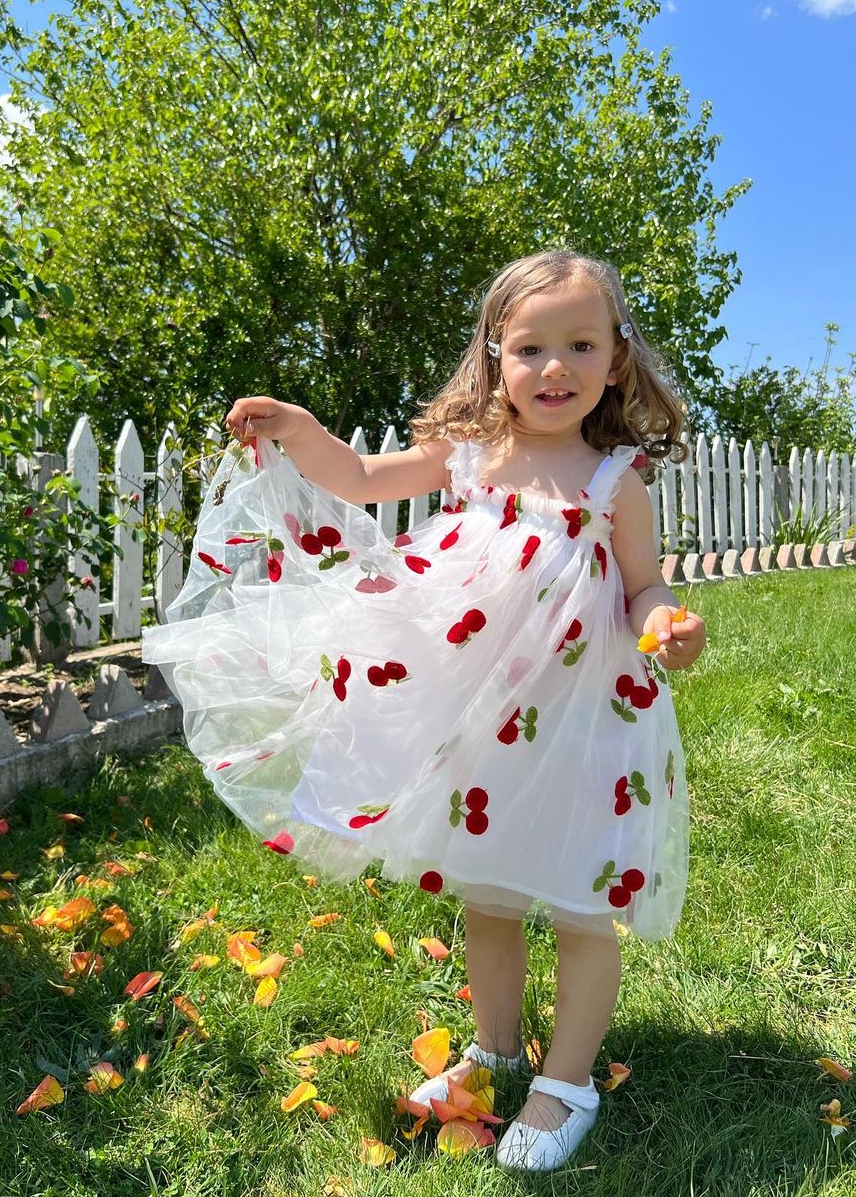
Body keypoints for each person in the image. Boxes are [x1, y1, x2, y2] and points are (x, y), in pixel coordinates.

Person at [142, 248, 707, 1172]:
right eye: (529, 348)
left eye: (580, 345)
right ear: (494, 358)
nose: (554, 368)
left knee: (576, 901)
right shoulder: (470, 454)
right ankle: (491, 1057)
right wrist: (298, 427)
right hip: (479, 717)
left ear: (617, 360)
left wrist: (670, 624)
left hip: (574, 723)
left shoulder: (615, 484)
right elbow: (364, 480)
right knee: (488, 895)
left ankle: (567, 1083)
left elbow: (644, 590)